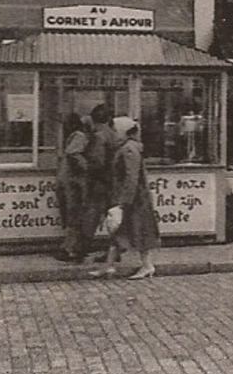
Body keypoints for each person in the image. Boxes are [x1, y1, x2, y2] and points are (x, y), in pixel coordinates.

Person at [97, 117, 160, 279]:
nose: (113, 134)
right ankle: (109, 266)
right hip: (131, 198)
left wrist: (124, 202)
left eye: (115, 131)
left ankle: (147, 265)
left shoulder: (129, 149)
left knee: (138, 231)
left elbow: (131, 177)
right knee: (120, 232)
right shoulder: (127, 147)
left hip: (134, 199)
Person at [80, 104, 118, 264]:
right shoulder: (113, 134)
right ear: (109, 119)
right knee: (113, 218)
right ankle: (114, 251)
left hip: (100, 182)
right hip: (113, 181)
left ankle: (80, 250)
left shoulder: (99, 136)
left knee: (91, 215)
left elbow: (97, 161)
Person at [54, 114, 90, 263]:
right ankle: (68, 248)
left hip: (65, 180)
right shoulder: (80, 136)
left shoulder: (70, 137)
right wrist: (87, 167)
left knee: (72, 216)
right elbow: (73, 153)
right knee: (75, 216)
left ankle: (71, 247)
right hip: (73, 182)